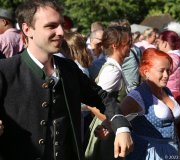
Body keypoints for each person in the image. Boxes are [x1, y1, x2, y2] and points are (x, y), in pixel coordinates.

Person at [0, 1, 133, 160]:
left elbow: (102, 98)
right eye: (51, 26)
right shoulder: (6, 70)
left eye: (61, 25)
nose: (61, 32)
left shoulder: (68, 69)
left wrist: (121, 127)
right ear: (27, 29)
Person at [120, 48, 180, 160]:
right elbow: (116, 116)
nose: (166, 75)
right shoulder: (137, 96)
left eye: (168, 70)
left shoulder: (166, 91)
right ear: (146, 72)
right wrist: (112, 129)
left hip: (172, 151)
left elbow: (170, 116)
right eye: (161, 70)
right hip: (150, 155)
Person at [85, 25, 132, 160]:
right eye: (127, 43)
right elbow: (93, 103)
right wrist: (113, 126)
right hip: (106, 126)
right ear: (114, 45)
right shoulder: (113, 71)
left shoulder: (114, 67)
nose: (131, 45)